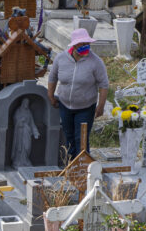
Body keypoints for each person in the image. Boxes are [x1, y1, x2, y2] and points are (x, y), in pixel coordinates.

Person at [47, 28, 109, 160]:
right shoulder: (61, 58)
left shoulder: (95, 62)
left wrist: (101, 106)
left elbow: (103, 84)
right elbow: (52, 77)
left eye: (87, 44)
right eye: (82, 44)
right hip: (65, 105)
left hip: (85, 107)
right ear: (74, 45)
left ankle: (82, 167)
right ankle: (70, 164)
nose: (85, 47)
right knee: (68, 136)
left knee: (81, 138)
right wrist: (50, 95)